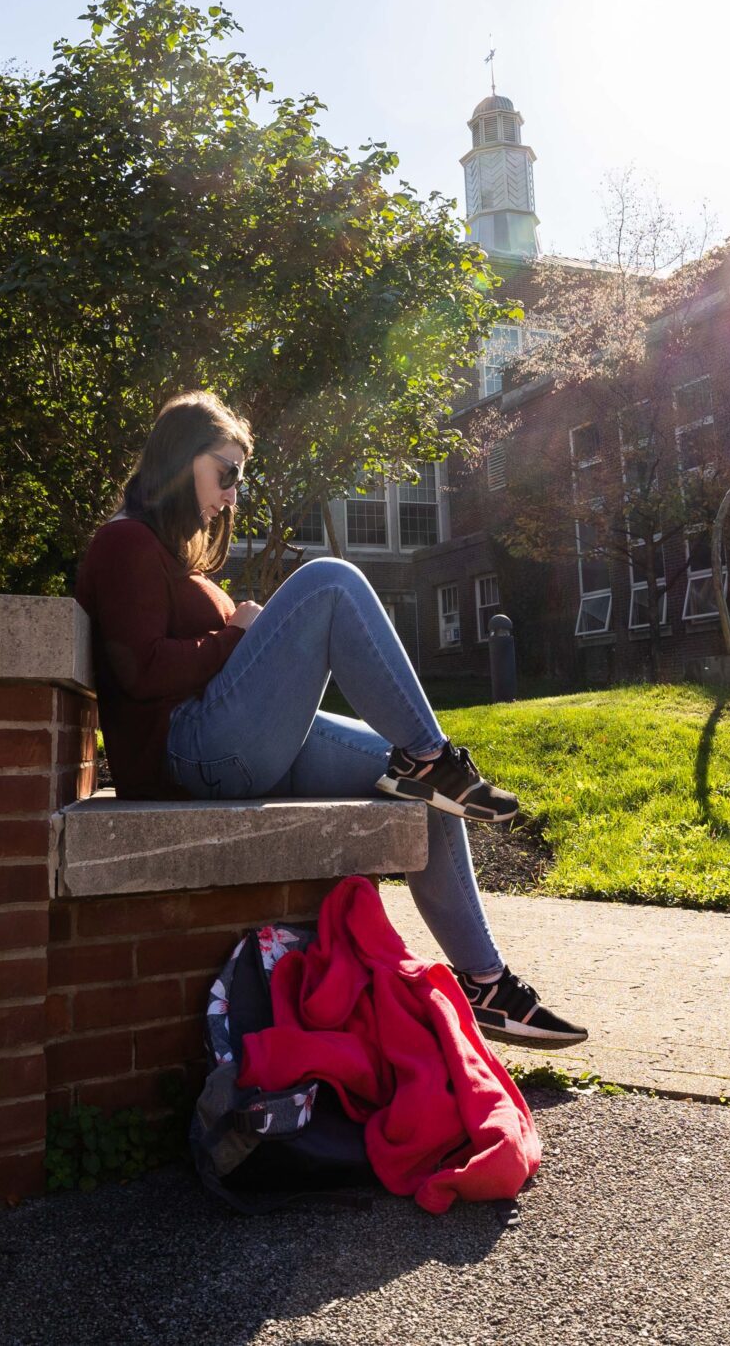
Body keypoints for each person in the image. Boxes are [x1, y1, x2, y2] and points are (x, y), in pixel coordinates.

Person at [74, 390, 587, 1049]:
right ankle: (434, 755)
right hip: (188, 751)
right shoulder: (123, 543)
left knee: (427, 796)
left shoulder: (167, 557)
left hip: (226, 741)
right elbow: (137, 670)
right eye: (225, 472)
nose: (233, 494)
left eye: (240, 478)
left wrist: (236, 635)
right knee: (332, 583)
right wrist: (237, 637)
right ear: (179, 459)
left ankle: (486, 985)